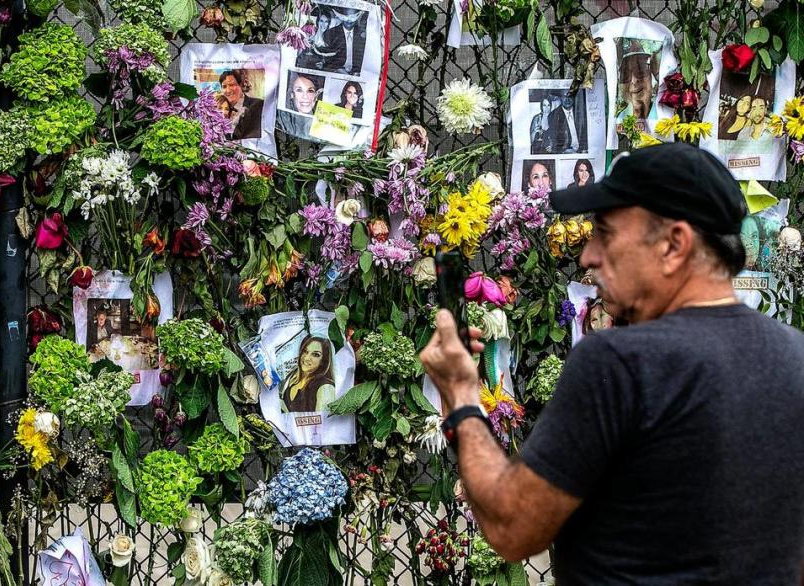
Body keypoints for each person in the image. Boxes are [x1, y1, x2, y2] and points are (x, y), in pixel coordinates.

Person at [420, 142, 804, 584]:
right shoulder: (794, 356)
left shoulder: (621, 364)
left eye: (606, 232)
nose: (588, 256)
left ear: (674, 245)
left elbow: (512, 527)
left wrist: (461, 396)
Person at [281, 336, 335, 412]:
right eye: (305, 351)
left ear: (323, 361)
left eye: (315, 355)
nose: (306, 358)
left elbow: (323, 422)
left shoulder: (325, 387)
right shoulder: (291, 381)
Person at [318, 7, 367, 75]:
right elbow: (327, 58)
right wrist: (338, 70)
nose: (349, 20)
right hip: (336, 72)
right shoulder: (330, 33)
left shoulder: (363, 35)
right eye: (345, 16)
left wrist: (358, 72)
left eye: (352, 17)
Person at [617, 40, 657, 119]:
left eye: (640, 71)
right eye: (625, 74)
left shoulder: (662, 114)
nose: (633, 81)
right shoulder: (617, 119)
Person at [219, 69, 263, 140]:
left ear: (241, 85)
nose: (228, 90)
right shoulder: (222, 111)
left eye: (232, 85)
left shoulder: (258, 105)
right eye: (224, 86)